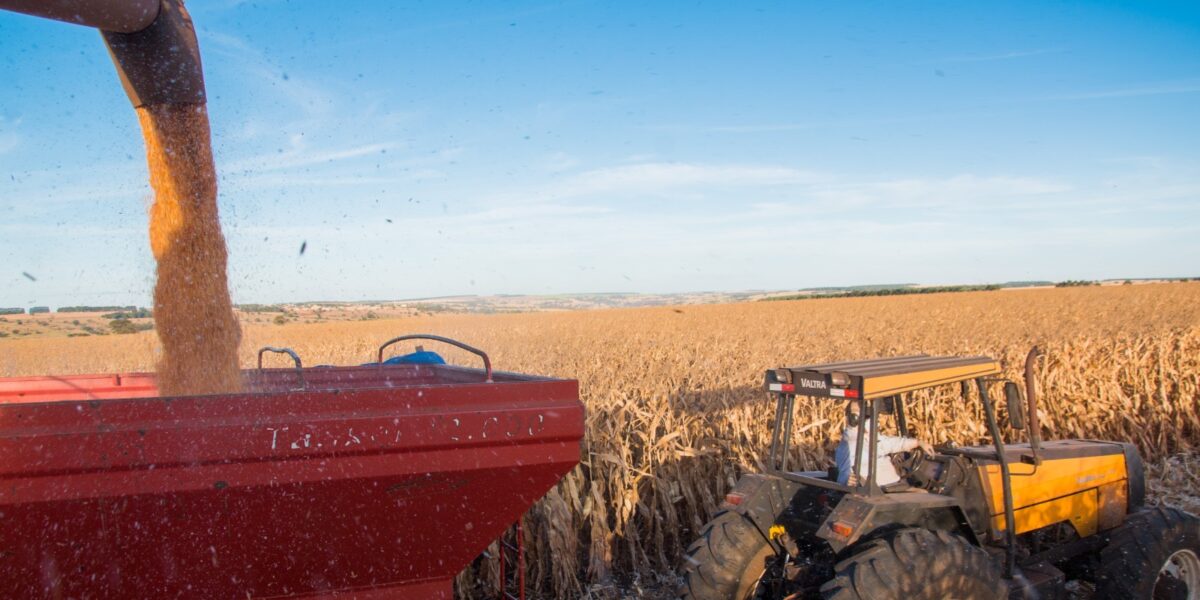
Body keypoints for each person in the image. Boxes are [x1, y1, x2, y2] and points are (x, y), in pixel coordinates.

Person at [834, 401, 928, 486]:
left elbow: (889, 443)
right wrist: (846, 479)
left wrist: (916, 442)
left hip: (889, 485)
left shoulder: (867, 437)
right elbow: (845, 467)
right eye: (854, 412)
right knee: (925, 494)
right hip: (881, 490)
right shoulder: (852, 441)